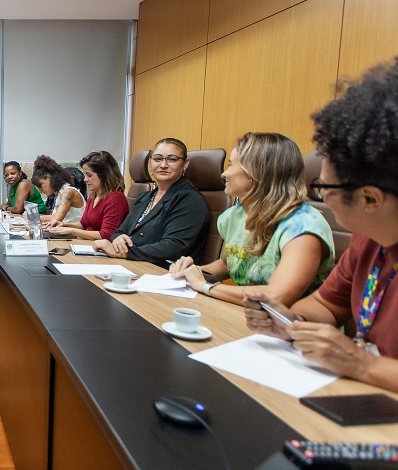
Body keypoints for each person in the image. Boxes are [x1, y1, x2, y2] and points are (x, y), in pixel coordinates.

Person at [244, 58, 398, 393]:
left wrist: (362, 364)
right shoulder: (368, 240)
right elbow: (325, 305)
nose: (319, 197)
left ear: (370, 199)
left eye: (324, 188)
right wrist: (290, 324)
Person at [169, 132, 334, 305]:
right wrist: (192, 272)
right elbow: (227, 265)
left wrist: (206, 286)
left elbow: (277, 296)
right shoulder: (233, 217)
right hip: (247, 314)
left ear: (258, 172)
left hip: (292, 326)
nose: (225, 174)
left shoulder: (303, 227)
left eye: (232, 165)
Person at [93, 138, 209, 267]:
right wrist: (118, 239)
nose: (163, 165)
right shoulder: (145, 197)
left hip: (163, 272)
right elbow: (119, 231)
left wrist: (124, 253)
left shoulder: (189, 199)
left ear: (185, 163)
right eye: (157, 159)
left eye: (172, 159)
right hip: (135, 265)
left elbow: (173, 247)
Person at [44, 151, 129, 240]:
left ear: (104, 175)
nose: (85, 179)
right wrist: (64, 225)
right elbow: (83, 224)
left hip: (101, 248)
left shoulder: (115, 198)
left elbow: (107, 235)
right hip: (88, 244)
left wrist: (71, 231)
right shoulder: (94, 195)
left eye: (89, 175)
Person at [32, 155, 85, 224]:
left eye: (40, 186)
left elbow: (56, 218)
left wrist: (32, 216)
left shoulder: (68, 192)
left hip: (74, 233)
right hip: (62, 232)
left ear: (49, 178)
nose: (41, 191)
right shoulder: (59, 193)